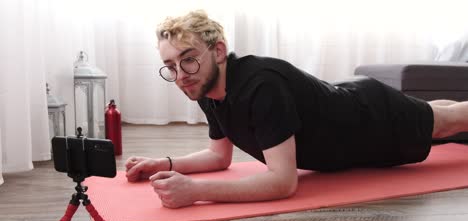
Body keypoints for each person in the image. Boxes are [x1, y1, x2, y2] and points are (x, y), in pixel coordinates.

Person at [125, 10, 468, 209]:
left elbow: (282, 181)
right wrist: (166, 163)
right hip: (352, 104)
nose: (180, 75)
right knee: (438, 112)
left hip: (373, 120)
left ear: (217, 51)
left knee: (447, 122)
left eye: (187, 60)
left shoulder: (261, 85)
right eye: (171, 66)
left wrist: (196, 192)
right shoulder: (206, 86)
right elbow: (219, 157)